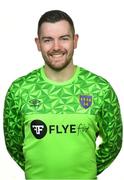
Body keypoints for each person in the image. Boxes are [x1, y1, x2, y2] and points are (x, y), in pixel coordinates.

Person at [4, 10, 123, 180]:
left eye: (64, 38)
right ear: (38, 43)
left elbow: (114, 143)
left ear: (75, 41)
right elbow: (13, 145)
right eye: (48, 40)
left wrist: (86, 171)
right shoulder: (19, 90)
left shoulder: (99, 89)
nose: (56, 47)